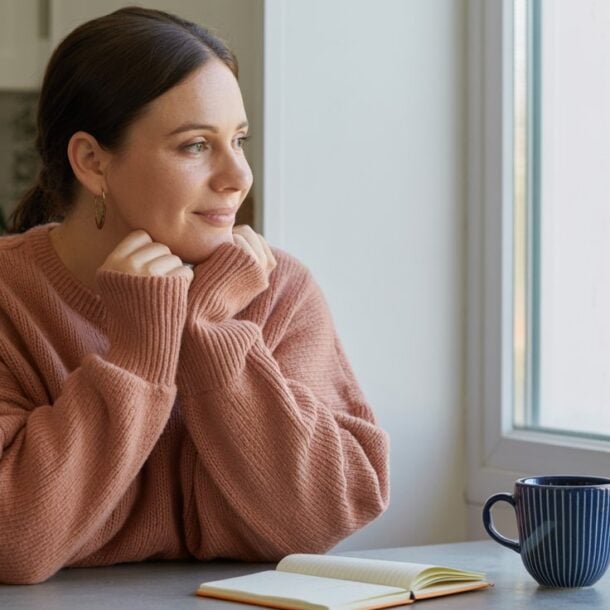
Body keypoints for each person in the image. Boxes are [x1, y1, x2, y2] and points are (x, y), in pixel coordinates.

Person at [0, 6, 389, 585]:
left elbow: (326, 518)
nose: (239, 175)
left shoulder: (278, 290)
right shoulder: (12, 298)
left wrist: (208, 329)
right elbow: (14, 543)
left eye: (239, 139)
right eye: (194, 146)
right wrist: (137, 354)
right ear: (91, 161)